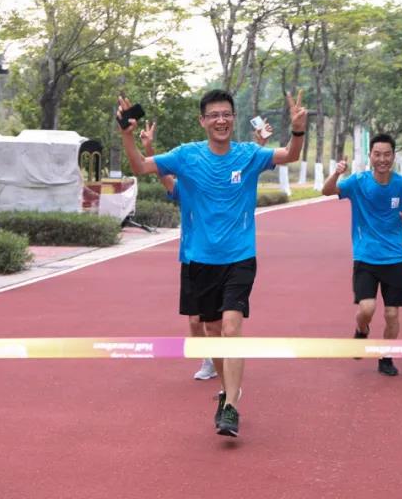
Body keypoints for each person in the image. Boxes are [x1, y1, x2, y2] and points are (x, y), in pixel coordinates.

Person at [119, 88, 307, 438]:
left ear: (234, 118)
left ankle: (231, 405)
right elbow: (140, 166)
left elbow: (291, 155)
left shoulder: (249, 154)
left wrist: (298, 129)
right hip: (200, 259)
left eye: (226, 114)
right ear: (202, 121)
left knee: (232, 328)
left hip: (240, 257)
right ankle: (227, 389)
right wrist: (128, 136)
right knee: (212, 333)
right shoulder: (186, 156)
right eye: (214, 115)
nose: (221, 120)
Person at [141, 119, 276, 383]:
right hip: (193, 256)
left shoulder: (214, 179)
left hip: (228, 256)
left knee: (219, 323)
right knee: (195, 321)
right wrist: (149, 149)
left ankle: (219, 367)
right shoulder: (184, 186)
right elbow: (162, 174)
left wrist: (260, 143)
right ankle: (210, 357)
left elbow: (243, 171)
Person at [321, 133, 402, 377]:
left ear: (393, 156)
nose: (382, 159)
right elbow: (327, 191)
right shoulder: (358, 182)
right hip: (365, 258)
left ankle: (386, 357)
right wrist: (337, 173)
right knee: (367, 309)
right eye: (377, 154)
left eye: (387, 154)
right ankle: (362, 330)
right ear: (370, 156)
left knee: (392, 314)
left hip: (395, 259)